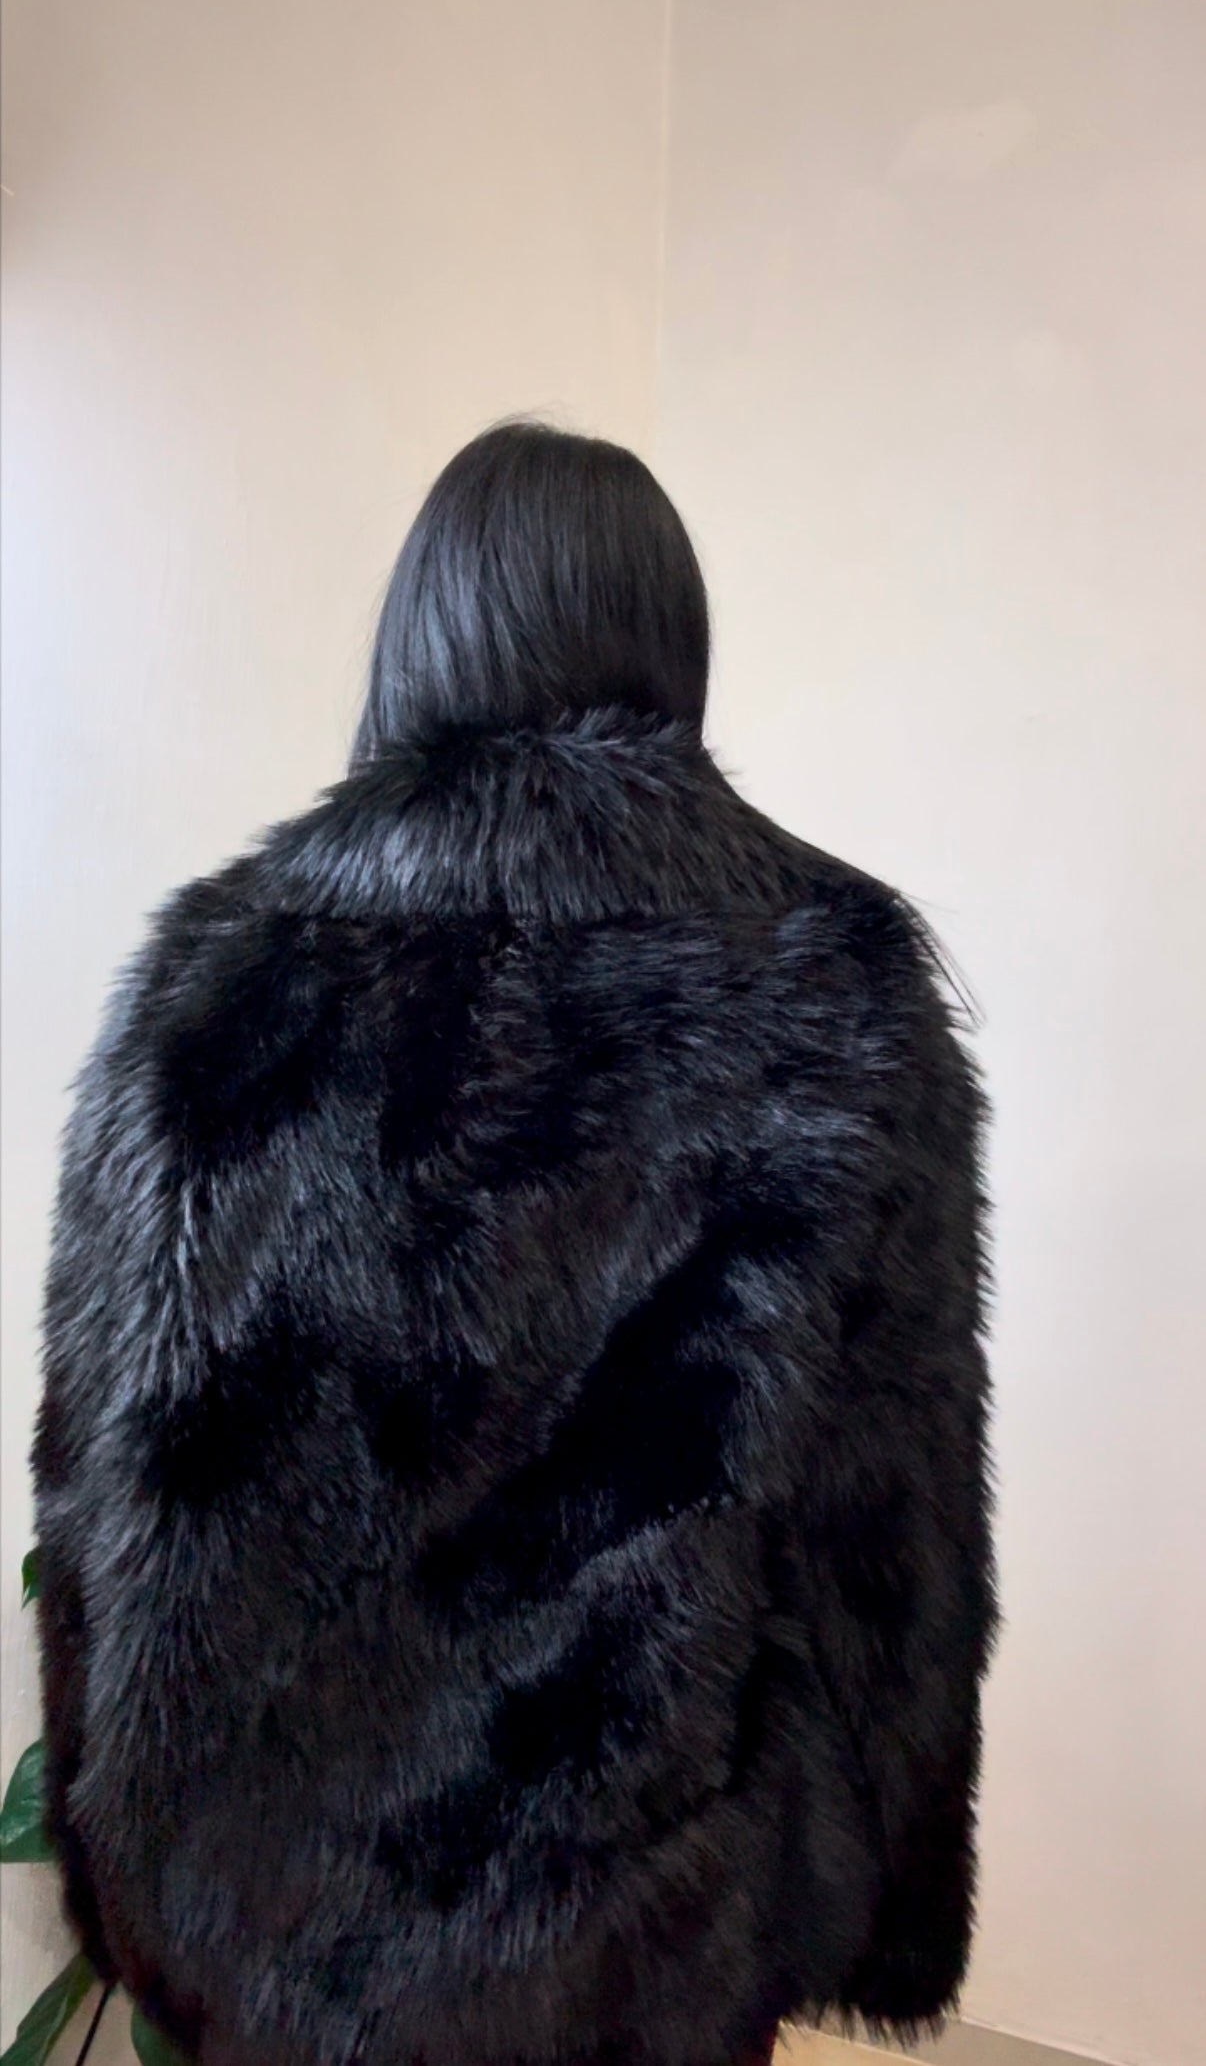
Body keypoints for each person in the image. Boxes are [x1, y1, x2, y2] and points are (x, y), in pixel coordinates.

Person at [33, 419, 995, 2066]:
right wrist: (865, 1892)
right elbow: (884, 1518)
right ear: (672, 644)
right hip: (650, 1935)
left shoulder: (214, 980)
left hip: (264, 1926)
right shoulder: (832, 982)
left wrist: (115, 1860)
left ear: (416, 639)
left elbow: (99, 1478)